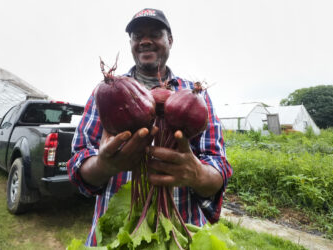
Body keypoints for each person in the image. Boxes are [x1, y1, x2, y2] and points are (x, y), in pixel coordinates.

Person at [67, 8, 232, 247]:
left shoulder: (196, 96)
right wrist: (103, 165)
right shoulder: (105, 92)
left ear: (170, 41)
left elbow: (220, 166)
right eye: (137, 36)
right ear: (131, 43)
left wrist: (196, 173)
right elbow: (77, 162)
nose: (145, 40)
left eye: (155, 33)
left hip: (180, 233)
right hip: (117, 233)